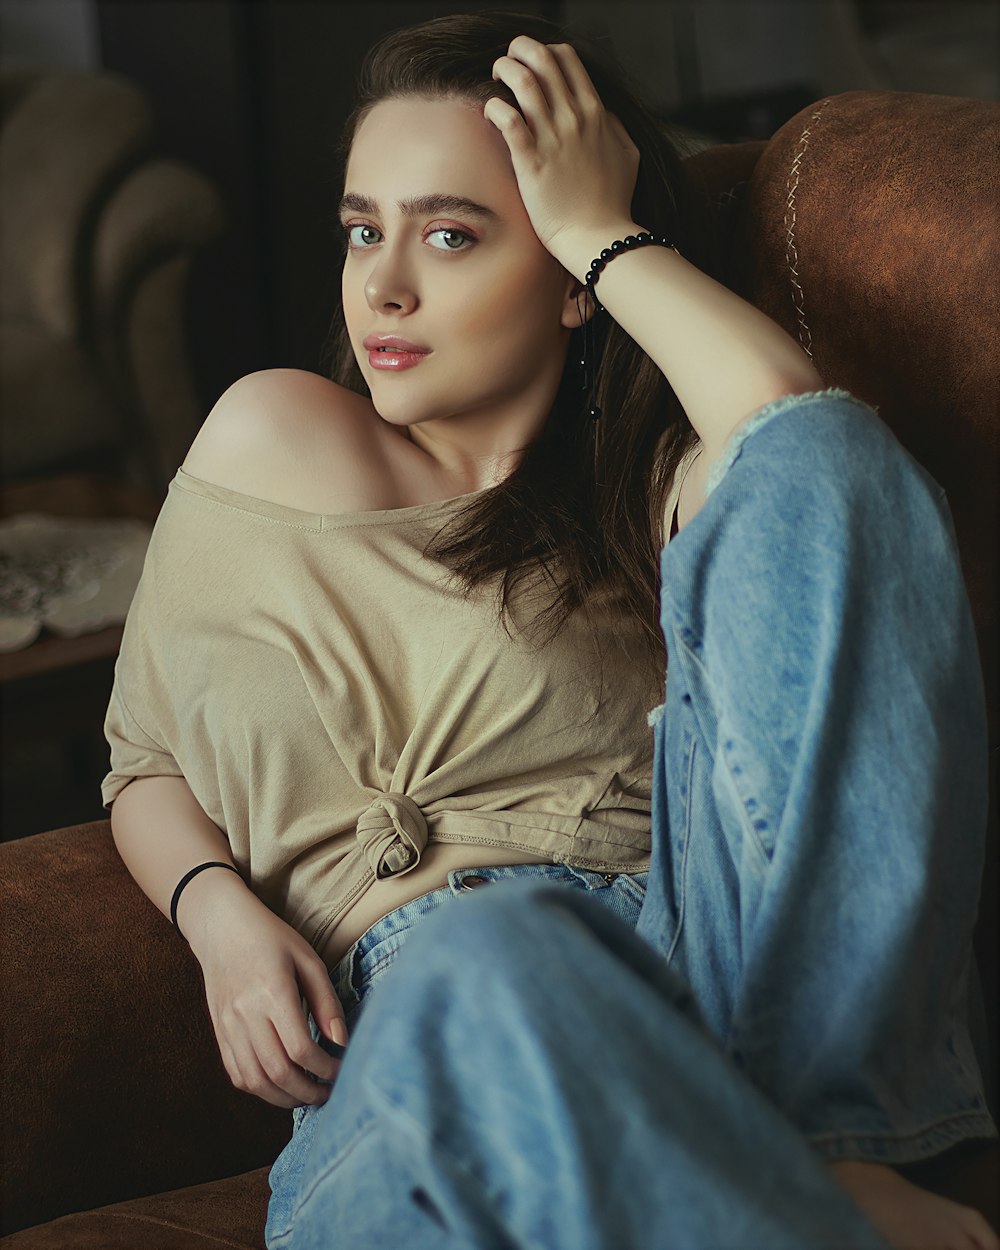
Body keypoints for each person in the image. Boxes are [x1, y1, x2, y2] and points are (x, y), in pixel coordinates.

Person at [102, 11, 997, 1250]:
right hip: (404, 1054)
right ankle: (788, 1193)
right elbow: (145, 757)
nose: (383, 283)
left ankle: (826, 1146)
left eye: (452, 234)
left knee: (826, 456)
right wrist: (214, 911)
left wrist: (599, 233)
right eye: (363, 229)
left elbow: (810, 449)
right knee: (494, 956)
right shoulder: (274, 434)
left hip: (705, 995)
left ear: (574, 285)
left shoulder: (659, 496)